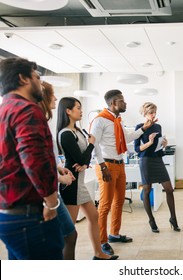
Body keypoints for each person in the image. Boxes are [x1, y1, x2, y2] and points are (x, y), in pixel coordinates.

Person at [0, 57, 64, 259]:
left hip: (8, 212)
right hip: (29, 215)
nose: (40, 83)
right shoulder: (27, 109)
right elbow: (34, 160)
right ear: (23, 79)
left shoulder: (4, 109)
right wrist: (51, 201)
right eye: (37, 76)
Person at [90, 89, 156, 256]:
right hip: (107, 165)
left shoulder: (117, 120)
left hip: (119, 164)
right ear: (113, 103)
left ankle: (114, 234)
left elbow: (127, 138)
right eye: (122, 101)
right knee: (105, 205)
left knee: (119, 202)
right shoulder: (100, 120)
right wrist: (102, 165)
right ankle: (102, 241)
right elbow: (94, 145)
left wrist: (144, 129)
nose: (125, 103)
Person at [57, 97, 118, 260]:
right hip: (71, 183)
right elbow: (80, 158)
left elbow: (84, 160)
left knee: (93, 216)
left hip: (80, 183)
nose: (81, 110)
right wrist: (91, 145)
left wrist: (84, 162)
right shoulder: (65, 134)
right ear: (68, 111)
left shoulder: (78, 131)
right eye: (78, 107)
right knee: (69, 230)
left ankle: (98, 253)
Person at [39, 81, 78, 260]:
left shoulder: (42, 122)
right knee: (67, 235)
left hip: (52, 189)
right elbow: (35, 162)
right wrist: (59, 177)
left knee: (68, 235)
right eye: (52, 94)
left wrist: (58, 168)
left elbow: (45, 158)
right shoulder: (37, 124)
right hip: (47, 194)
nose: (55, 98)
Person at [134, 102, 180, 233]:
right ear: (144, 113)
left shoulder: (158, 126)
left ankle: (173, 218)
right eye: (150, 112)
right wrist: (149, 142)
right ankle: (151, 220)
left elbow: (158, 146)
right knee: (147, 190)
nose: (153, 115)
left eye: (155, 112)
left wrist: (164, 144)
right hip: (146, 160)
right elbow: (137, 149)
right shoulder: (139, 127)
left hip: (157, 159)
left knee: (169, 189)